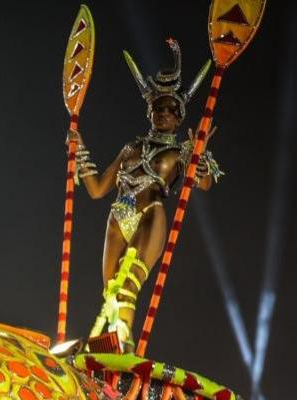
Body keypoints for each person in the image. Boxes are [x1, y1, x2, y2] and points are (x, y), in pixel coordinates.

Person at [70, 39, 222, 350]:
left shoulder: (180, 153)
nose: (162, 113)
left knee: (127, 289)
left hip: (150, 215)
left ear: (179, 117)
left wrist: (200, 157)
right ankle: (104, 346)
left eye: (169, 109)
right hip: (118, 215)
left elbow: (203, 184)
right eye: (157, 108)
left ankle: (122, 343)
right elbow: (98, 189)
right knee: (110, 291)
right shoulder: (131, 148)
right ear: (149, 112)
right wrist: (79, 151)